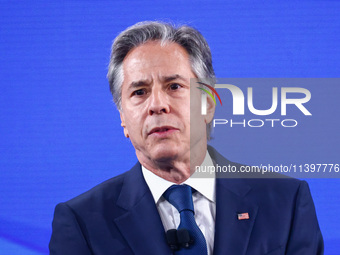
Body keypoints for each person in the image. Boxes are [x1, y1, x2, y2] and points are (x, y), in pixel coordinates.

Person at [49, 21, 324, 255]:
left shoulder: (286, 203)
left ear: (208, 104)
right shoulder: (81, 223)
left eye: (174, 86)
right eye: (139, 92)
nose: (157, 105)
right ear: (123, 118)